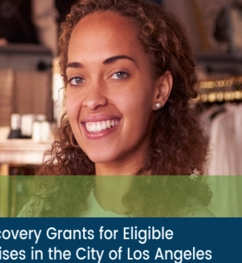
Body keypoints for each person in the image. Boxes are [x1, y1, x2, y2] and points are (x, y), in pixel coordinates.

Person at [20, 0, 212, 217]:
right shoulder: (39, 214)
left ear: (160, 89)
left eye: (118, 74)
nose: (92, 100)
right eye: (77, 79)